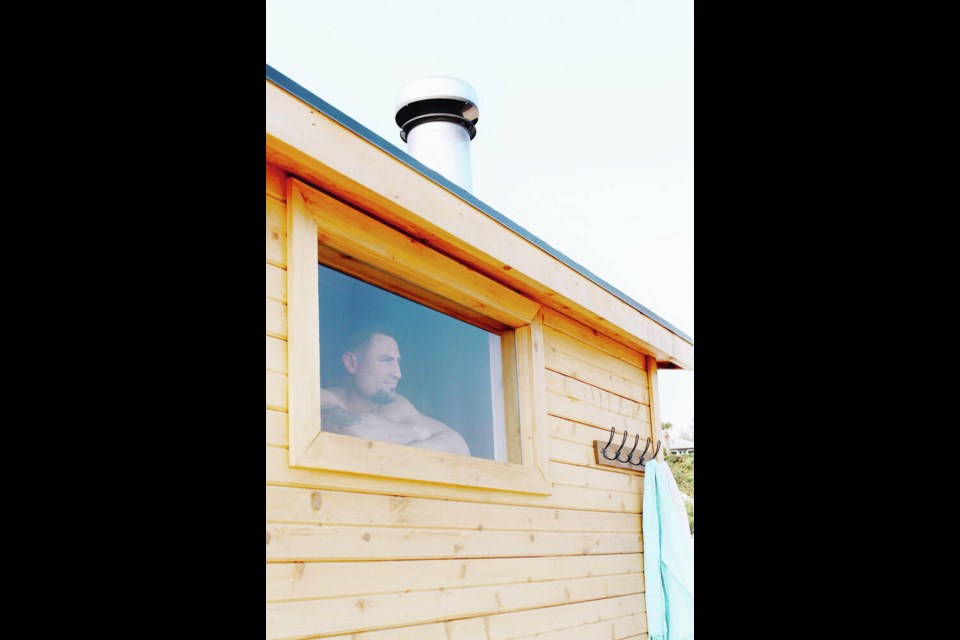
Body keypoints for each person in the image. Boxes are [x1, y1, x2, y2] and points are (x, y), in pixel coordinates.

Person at [320, 328, 470, 456]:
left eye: (397, 361)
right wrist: (417, 433)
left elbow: (458, 445)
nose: (398, 373)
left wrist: (404, 453)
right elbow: (358, 430)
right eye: (386, 360)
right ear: (351, 363)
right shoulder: (322, 397)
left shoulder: (396, 405)